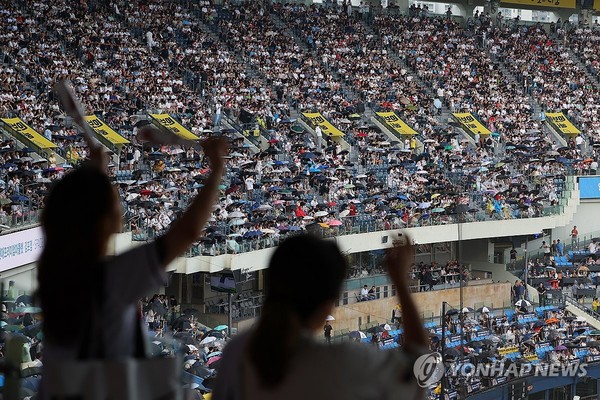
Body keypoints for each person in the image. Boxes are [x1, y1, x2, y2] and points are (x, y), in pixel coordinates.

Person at [37, 135, 228, 389]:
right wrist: (217, 169)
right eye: (115, 197)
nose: (121, 203)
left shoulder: (56, 275)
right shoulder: (110, 279)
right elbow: (188, 231)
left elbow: (79, 207)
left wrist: (96, 173)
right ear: (103, 220)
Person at [212, 235, 427, 400]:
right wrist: (400, 280)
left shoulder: (237, 350)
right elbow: (420, 371)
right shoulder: (345, 361)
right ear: (327, 306)